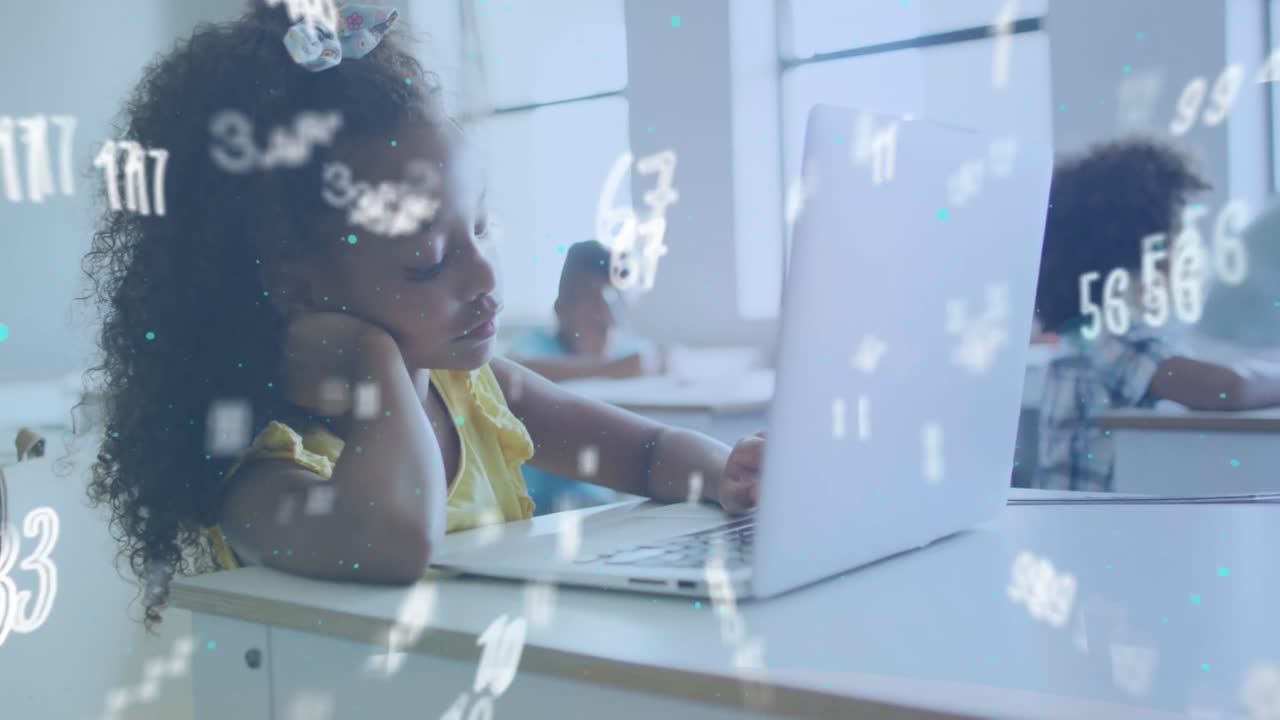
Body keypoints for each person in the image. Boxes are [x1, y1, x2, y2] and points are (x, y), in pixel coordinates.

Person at [82, 1, 764, 630]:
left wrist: (724, 471)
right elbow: (392, 539)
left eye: (482, 228)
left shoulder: (481, 393)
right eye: (429, 260)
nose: (487, 276)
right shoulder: (257, 473)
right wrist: (373, 366)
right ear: (296, 288)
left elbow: (645, 455)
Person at [1032, 138, 1280, 491]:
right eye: (1182, 233)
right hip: (1089, 530)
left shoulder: (1085, 331)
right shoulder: (1109, 337)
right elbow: (1226, 389)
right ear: (1145, 251)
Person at [507, 240, 666, 382]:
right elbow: (512, 371)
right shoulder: (536, 345)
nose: (606, 315)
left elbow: (656, 360)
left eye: (616, 305)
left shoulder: (628, 349)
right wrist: (609, 369)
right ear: (561, 308)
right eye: (592, 301)